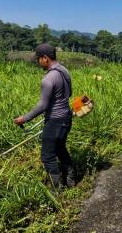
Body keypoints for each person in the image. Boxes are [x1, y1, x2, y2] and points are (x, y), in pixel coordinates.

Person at [14, 44, 77, 188]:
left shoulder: (48, 79)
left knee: (47, 156)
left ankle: (57, 187)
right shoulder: (64, 71)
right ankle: (71, 179)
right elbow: (70, 93)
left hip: (55, 121)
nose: (38, 62)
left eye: (39, 59)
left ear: (45, 58)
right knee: (60, 148)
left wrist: (24, 118)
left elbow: (42, 106)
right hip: (66, 118)